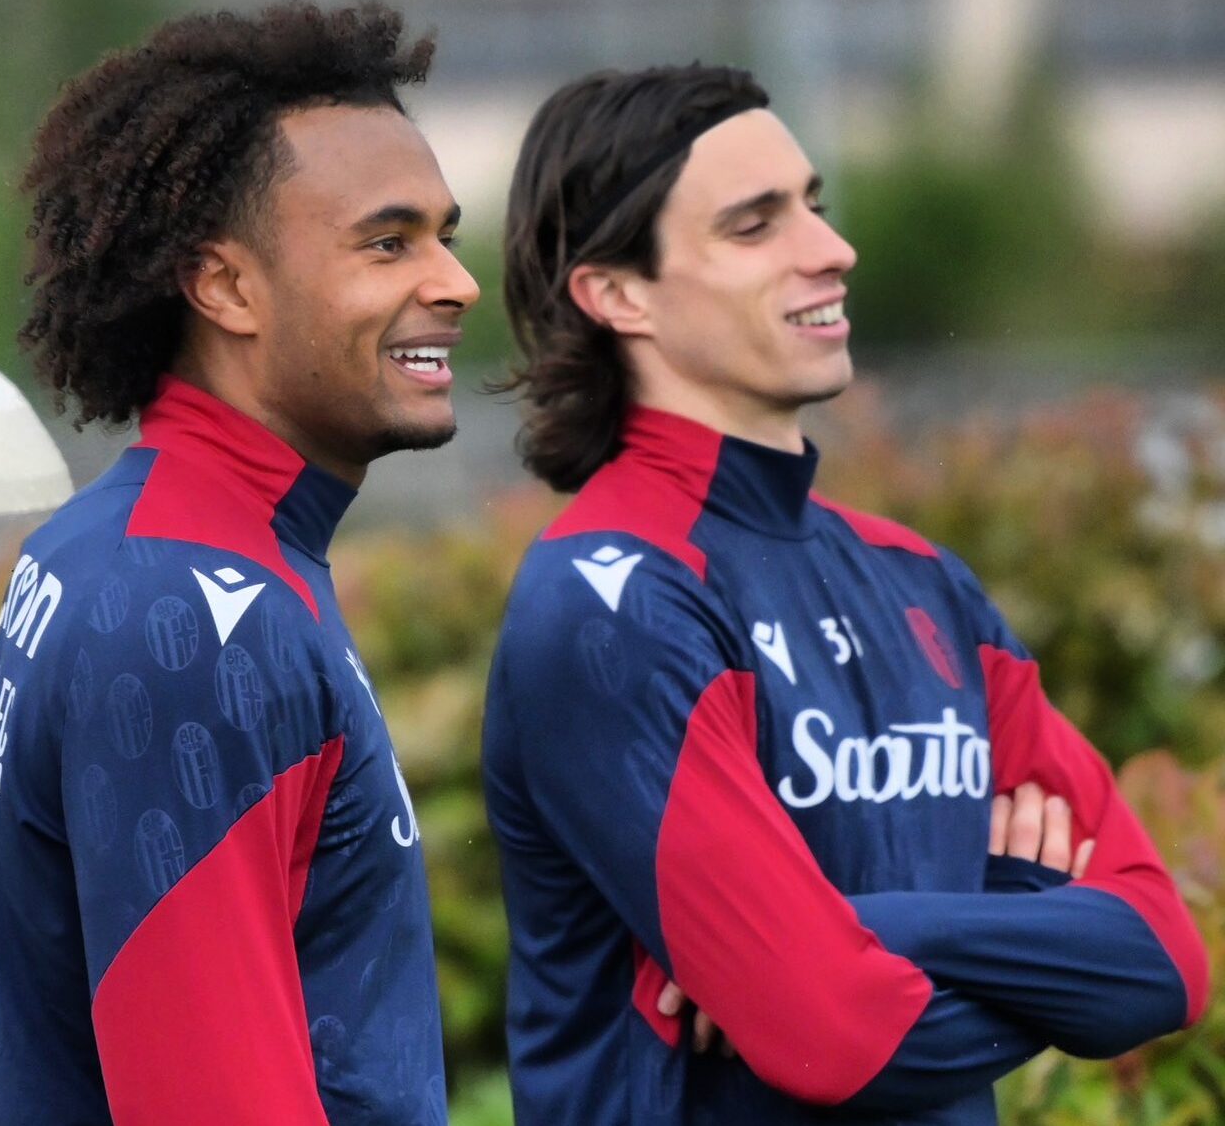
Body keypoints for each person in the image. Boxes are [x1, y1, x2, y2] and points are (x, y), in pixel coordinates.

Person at [483, 65, 1210, 1124]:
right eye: (752, 225)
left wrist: (860, 927)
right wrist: (1036, 948)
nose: (829, 249)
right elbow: (836, 1037)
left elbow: (1161, 962)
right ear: (616, 293)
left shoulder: (924, 581)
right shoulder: (612, 601)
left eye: (812, 207)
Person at [0, 0, 478, 1125]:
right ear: (224, 285)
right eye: (387, 242)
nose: (453, 282)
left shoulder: (164, 550)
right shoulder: (179, 608)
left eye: (445, 235)